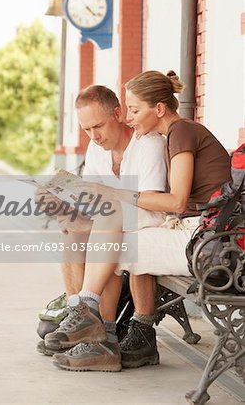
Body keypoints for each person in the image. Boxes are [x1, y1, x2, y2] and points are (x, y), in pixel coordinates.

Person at [45, 71, 231, 371]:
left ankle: (94, 325)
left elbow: (177, 202)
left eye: (133, 110)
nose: (128, 118)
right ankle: (93, 325)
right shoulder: (175, 133)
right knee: (99, 231)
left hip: (206, 240)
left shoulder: (176, 134)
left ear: (158, 109)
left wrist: (113, 194)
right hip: (200, 232)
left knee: (113, 235)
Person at [37, 85, 167, 371]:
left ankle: (96, 328)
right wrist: (65, 199)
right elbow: (93, 196)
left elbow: (153, 201)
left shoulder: (148, 145)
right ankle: (82, 321)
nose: (94, 136)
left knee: (107, 232)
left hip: (151, 218)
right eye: (86, 130)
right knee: (72, 225)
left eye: (98, 126)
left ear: (118, 114)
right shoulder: (97, 150)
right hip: (114, 220)